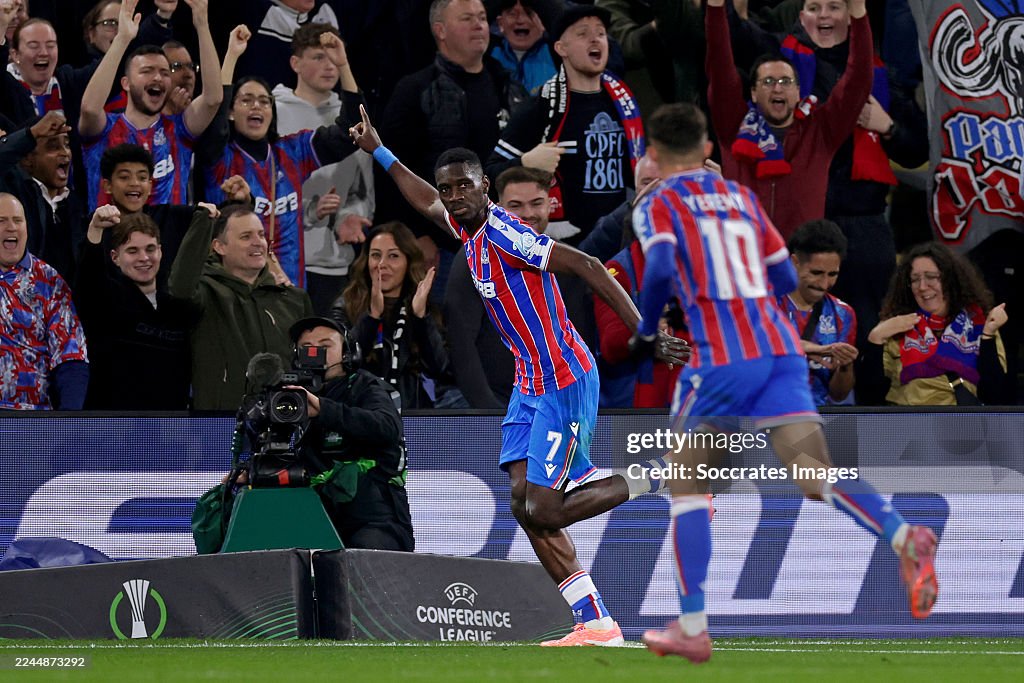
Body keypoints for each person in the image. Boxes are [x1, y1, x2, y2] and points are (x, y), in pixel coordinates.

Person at [350, 104, 689, 646]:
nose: (453, 196)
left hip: (562, 377)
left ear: (485, 186)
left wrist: (645, 332)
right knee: (523, 504)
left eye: (463, 187)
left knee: (545, 507)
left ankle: (662, 475)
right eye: (448, 188)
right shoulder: (468, 230)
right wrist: (380, 151)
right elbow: (424, 200)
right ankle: (596, 621)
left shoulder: (506, 234)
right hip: (530, 385)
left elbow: (589, 266)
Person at [628, 102, 938, 663]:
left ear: (652, 154)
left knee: (688, 485)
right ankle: (900, 535)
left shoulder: (658, 203)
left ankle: (693, 624)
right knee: (815, 476)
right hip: (781, 353)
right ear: (707, 151)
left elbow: (657, 269)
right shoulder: (744, 200)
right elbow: (778, 275)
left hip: (721, 359)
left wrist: (647, 328)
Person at [203, 24, 364, 289]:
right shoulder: (220, 157)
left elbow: (352, 132)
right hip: (235, 291)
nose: (257, 105)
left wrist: (343, 65)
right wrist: (231, 56)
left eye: (264, 101)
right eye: (246, 100)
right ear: (231, 112)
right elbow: (215, 118)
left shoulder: (292, 151)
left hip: (289, 290)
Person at [704, 0, 871, 239]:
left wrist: (858, 13)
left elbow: (858, 80)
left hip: (800, 263)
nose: (778, 89)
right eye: (768, 82)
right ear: (753, 92)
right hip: (744, 259)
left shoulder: (821, 131)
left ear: (798, 92)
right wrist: (715, 6)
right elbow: (719, 66)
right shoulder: (733, 125)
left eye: (786, 82)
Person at [486, 3, 644, 246]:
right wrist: (525, 163)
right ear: (561, 48)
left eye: (600, 33)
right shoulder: (541, 105)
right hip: (565, 246)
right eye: (583, 34)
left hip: (619, 239)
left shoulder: (624, 102)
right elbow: (491, 170)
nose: (595, 40)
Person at [167, 203, 313, 411]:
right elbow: (180, 288)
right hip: (221, 425)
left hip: (285, 423)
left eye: (261, 235)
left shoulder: (293, 299)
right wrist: (202, 224)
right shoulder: (206, 294)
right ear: (219, 246)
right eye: (246, 237)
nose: (258, 243)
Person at [286, 316, 415, 551]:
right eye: (306, 348)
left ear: (348, 353)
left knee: (358, 566)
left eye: (325, 346)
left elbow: (386, 427)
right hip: (314, 518)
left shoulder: (366, 386)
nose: (315, 353)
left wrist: (324, 409)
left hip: (374, 521)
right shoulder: (289, 397)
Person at [79, 0, 222, 210]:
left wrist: (201, 23)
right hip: (111, 239)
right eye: (147, 71)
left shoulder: (179, 130)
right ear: (125, 83)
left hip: (167, 240)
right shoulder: (105, 130)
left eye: (165, 73)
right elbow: (90, 109)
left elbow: (213, 98)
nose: (157, 78)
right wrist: (122, 40)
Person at [272, 22, 374, 315]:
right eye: (318, 57)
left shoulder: (353, 117)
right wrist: (309, 212)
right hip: (280, 258)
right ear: (295, 63)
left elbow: (363, 191)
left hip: (333, 262)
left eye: (333, 57)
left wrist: (348, 217)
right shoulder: (271, 112)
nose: (329, 66)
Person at [444, 165, 550, 408]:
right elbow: (461, 346)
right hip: (499, 404)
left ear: (550, 205)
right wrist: (489, 412)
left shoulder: (561, 261)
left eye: (536, 203)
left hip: (554, 403)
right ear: (499, 207)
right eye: (515, 205)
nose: (527, 213)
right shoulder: (472, 257)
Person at [73, 206, 198, 409]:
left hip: (169, 431)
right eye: (132, 251)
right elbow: (88, 282)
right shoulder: (106, 301)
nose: (144, 258)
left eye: (150, 249)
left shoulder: (177, 308)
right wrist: (95, 229)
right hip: (113, 430)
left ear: (161, 251)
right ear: (115, 257)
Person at [867, 242, 1009, 406]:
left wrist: (988, 336)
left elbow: (997, 397)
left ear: (950, 280)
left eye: (931, 277)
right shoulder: (895, 327)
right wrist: (875, 340)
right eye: (914, 279)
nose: (922, 287)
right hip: (910, 426)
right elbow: (870, 399)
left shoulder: (980, 325)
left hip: (964, 426)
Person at [330, 222, 452, 410]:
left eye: (393, 256)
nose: (382, 265)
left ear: (408, 262)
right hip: (359, 412)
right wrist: (371, 317)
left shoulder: (422, 307)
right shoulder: (346, 305)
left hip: (411, 413)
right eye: (375, 255)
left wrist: (421, 318)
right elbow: (339, 363)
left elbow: (440, 369)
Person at [0, 192, 88, 410]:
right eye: (1, 221)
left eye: (17, 220)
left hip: (31, 422)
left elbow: (71, 356)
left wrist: (68, 424)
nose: (11, 227)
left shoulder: (48, 281)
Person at [776, 218, 858, 405]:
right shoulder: (764, 305)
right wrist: (815, 349)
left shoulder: (844, 314)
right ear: (795, 262)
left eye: (832, 274)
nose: (824, 284)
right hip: (765, 416)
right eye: (816, 273)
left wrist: (845, 367)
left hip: (818, 419)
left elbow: (838, 395)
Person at [0, 111, 83, 284]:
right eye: (53, 146)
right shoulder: (14, 193)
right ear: (27, 159)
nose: (65, 153)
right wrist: (31, 134)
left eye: (67, 145)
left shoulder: (75, 204)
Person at [486, 0, 557, 96]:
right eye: (512, 14)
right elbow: (476, 16)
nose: (520, 20)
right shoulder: (486, 51)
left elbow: (564, 19)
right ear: (500, 23)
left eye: (529, 13)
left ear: (543, 22)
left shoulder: (559, 52)